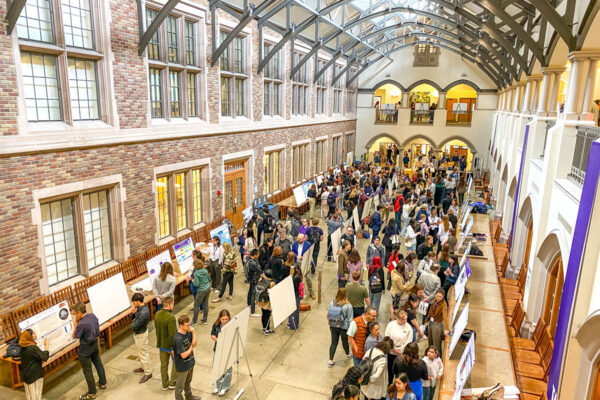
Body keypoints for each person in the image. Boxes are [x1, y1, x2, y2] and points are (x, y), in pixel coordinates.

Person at [71, 302, 106, 400]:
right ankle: (102, 383)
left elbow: (75, 336)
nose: (74, 316)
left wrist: (76, 323)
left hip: (85, 349)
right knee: (98, 363)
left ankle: (91, 393)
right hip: (94, 344)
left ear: (79, 313)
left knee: (88, 371)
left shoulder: (82, 323)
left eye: (75, 314)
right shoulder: (93, 316)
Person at [173, 315, 200, 400]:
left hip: (190, 362)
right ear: (181, 325)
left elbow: (195, 343)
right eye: (187, 325)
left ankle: (188, 396)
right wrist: (191, 347)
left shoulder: (188, 332)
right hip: (182, 366)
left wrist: (193, 333)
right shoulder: (178, 338)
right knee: (179, 387)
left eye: (189, 324)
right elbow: (183, 355)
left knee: (188, 382)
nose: (189, 326)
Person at [384, 310, 413, 385]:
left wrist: (401, 350)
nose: (405, 321)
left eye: (406, 319)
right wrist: (393, 349)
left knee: (400, 372)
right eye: (403, 319)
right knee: (390, 371)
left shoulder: (408, 327)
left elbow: (409, 341)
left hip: (402, 354)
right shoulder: (391, 325)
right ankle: (389, 385)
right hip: (391, 352)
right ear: (398, 318)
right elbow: (387, 338)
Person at [154, 296, 177, 390]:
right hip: (170, 347)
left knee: (163, 365)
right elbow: (173, 335)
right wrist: (173, 348)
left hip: (161, 345)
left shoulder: (157, 314)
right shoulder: (171, 317)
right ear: (170, 304)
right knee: (176, 364)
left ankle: (164, 384)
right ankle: (172, 383)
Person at [19, 329, 49, 400]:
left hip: (27, 374)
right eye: (33, 334)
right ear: (29, 337)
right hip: (35, 375)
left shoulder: (23, 346)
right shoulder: (32, 348)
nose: (35, 334)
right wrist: (47, 346)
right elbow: (44, 357)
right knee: (36, 395)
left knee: (30, 396)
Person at [327, 288, 354, 367]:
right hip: (343, 327)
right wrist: (350, 330)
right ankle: (348, 354)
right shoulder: (348, 306)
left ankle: (331, 361)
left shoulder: (332, 303)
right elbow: (350, 319)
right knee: (344, 341)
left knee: (333, 343)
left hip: (333, 325)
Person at [130, 293, 152, 383]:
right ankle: (143, 367)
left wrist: (133, 320)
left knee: (143, 353)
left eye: (134, 302)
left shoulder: (143, 313)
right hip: (141, 332)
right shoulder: (141, 308)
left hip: (141, 334)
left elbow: (134, 326)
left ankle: (148, 372)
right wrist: (133, 315)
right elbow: (135, 321)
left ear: (138, 301)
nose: (133, 304)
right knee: (141, 352)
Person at [211, 310, 232, 395]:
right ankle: (218, 385)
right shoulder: (216, 325)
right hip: (218, 349)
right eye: (223, 319)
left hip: (228, 350)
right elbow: (212, 335)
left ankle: (225, 387)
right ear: (219, 318)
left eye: (226, 319)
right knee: (217, 368)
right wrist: (217, 340)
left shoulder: (231, 325)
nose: (224, 321)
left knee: (227, 370)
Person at [425, 288, 450, 357]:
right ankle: (430, 355)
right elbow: (430, 310)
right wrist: (426, 320)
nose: (438, 298)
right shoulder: (435, 300)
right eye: (437, 296)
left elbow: (445, 316)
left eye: (440, 297)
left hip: (437, 325)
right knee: (430, 341)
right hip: (431, 323)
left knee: (436, 344)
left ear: (443, 297)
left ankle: (438, 357)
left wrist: (446, 328)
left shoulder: (444, 305)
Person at [191, 258, 211, 325]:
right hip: (208, 288)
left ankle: (194, 321)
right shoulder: (205, 270)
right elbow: (209, 278)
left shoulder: (196, 273)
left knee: (196, 305)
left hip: (201, 291)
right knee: (206, 304)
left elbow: (197, 284)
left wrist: (193, 281)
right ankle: (205, 320)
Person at [247, 249, 261, 317]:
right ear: (255, 255)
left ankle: (249, 305)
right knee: (253, 294)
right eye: (258, 254)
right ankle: (252, 312)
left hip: (250, 278)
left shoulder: (249, 259)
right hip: (254, 279)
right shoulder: (253, 263)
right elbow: (258, 270)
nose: (258, 255)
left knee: (250, 291)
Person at [288, 263, 303, 330]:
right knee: (296, 310)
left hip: (294, 294)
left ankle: (293, 325)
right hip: (297, 295)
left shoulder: (294, 278)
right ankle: (295, 324)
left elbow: (293, 287)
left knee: (293, 310)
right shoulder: (299, 276)